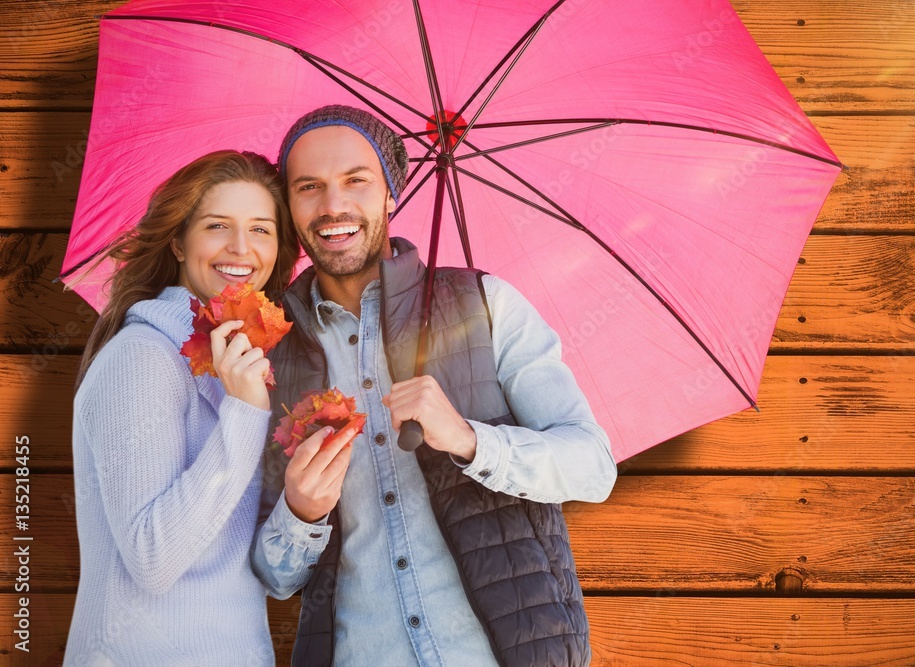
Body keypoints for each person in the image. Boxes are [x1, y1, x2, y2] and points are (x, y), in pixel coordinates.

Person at [251, 105, 618, 666]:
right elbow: (276, 581)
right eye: (309, 188)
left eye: (356, 180)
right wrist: (300, 513)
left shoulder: (487, 305)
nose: (333, 206)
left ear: (391, 193)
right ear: (290, 207)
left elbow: (593, 468)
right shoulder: (270, 357)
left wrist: (472, 440)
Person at [65, 150, 315, 665]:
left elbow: (233, 553)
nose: (241, 248)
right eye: (217, 225)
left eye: (261, 229)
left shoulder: (240, 368)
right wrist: (245, 416)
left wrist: (303, 504)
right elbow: (154, 558)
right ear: (178, 241)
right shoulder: (142, 358)